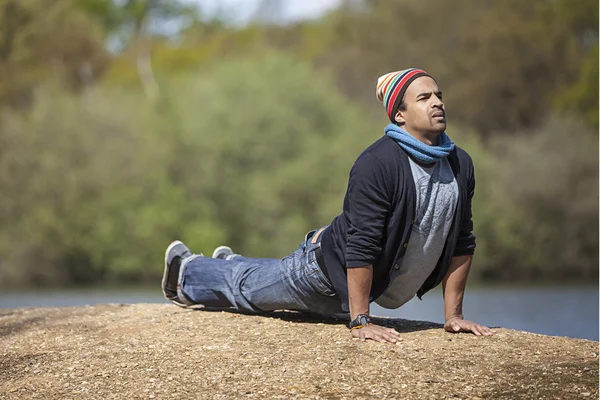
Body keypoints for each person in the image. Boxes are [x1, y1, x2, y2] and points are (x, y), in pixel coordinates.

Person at [161, 68, 494, 343]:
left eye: (439, 96)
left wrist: (453, 317)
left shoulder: (459, 164)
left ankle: (232, 262)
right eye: (424, 98)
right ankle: (184, 271)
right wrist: (361, 320)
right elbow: (361, 244)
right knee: (247, 291)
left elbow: (462, 241)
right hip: (322, 272)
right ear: (400, 114)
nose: (437, 103)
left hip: (356, 284)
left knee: (261, 281)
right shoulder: (377, 163)